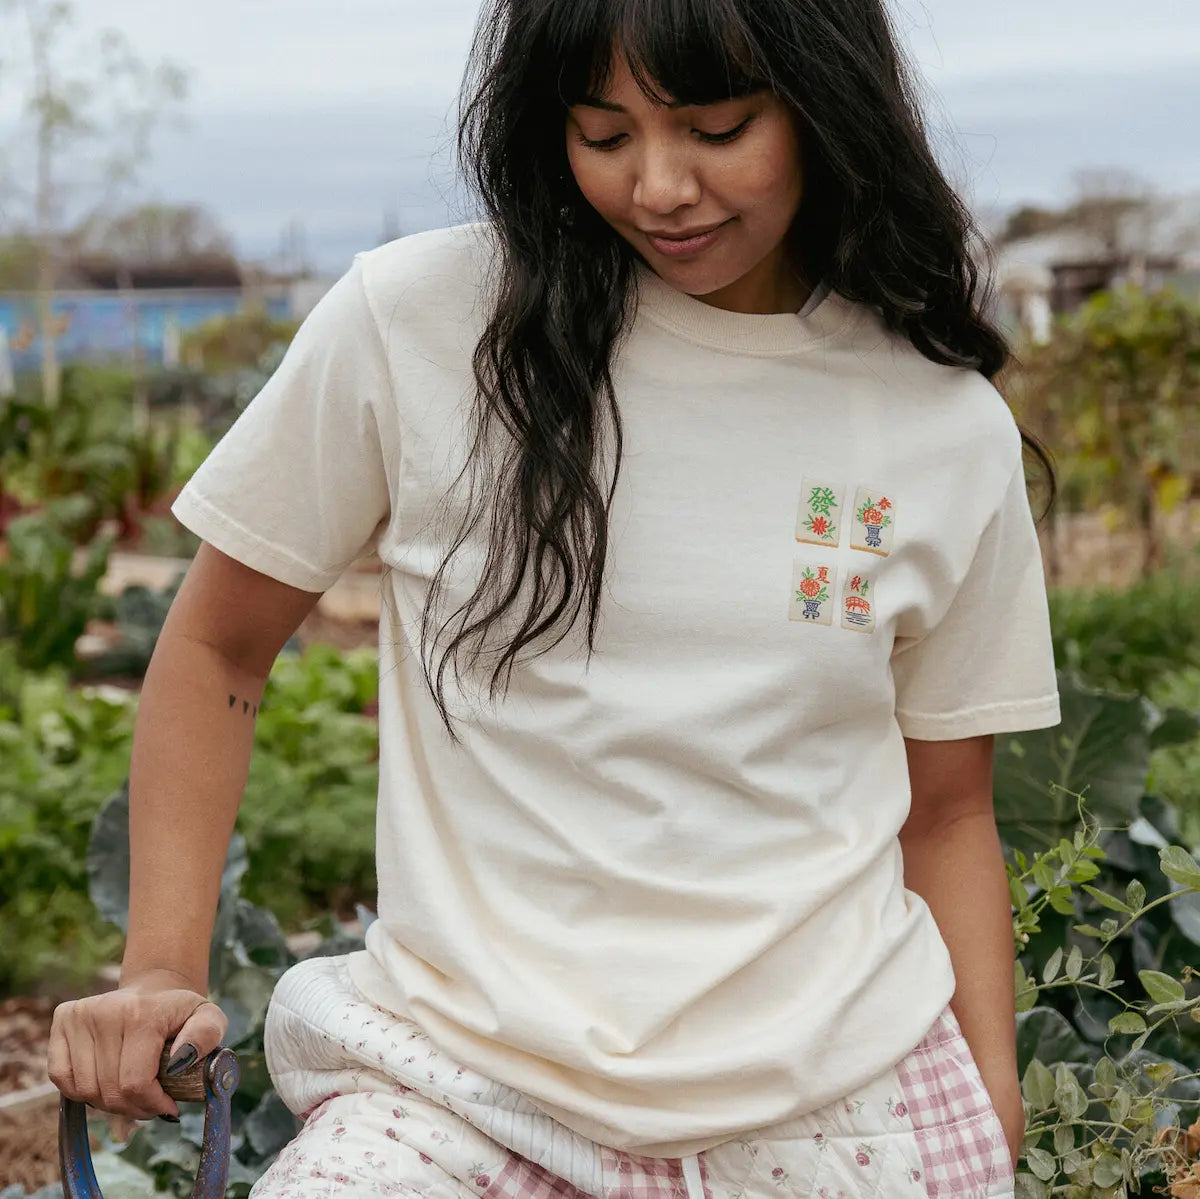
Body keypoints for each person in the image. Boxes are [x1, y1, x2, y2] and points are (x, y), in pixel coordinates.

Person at [47, 0, 1062, 1195]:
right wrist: (159, 968)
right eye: (603, 133)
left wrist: (987, 1112)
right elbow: (220, 643)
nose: (660, 186)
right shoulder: (421, 324)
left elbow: (946, 811)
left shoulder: (938, 423)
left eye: (718, 128)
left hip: (849, 1109)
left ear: (826, 107)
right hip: (456, 1093)